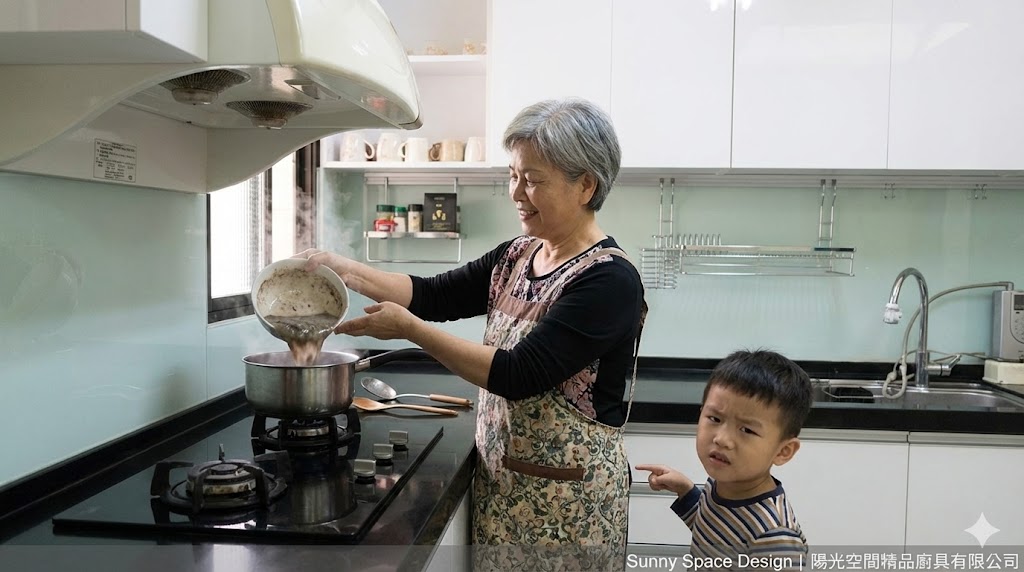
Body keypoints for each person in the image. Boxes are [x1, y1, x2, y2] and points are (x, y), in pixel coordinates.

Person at [297, 98, 645, 570]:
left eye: (534, 179)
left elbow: (518, 373)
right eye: (513, 174)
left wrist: (408, 331)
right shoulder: (517, 256)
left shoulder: (608, 280)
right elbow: (430, 295)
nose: (517, 192)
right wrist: (342, 270)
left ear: (586, 185)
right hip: (505, 487)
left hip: (571, 502)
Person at [636, 349, 813, 571]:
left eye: (747, 430)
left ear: (783, 451)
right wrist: (686, 491)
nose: (722, 439)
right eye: (715, 418)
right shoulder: (722, 483)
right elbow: (714, 533)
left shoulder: (774, 536)